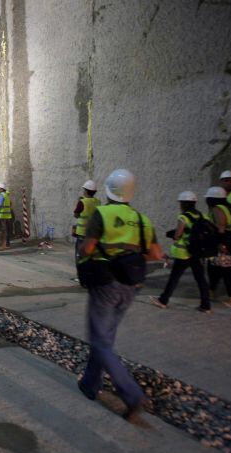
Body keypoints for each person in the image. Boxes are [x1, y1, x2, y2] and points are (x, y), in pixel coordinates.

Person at [77, 169, 162, 421]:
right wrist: (130, 257)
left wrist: (89, 256)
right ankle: (90, 384)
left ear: (109, 190)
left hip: (105, 283)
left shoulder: (101, 214)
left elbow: (88, 248)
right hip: (132, 286)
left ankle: (132, 395)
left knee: (99, 339)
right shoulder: (142, 219)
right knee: (105, 337)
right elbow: (156, 254)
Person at [149, 191, 211, 313]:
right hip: (197, 253)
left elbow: (178, 235)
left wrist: (173, 234)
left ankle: (163, 300)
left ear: (183, 204)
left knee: (174, 278)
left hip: (184, 253)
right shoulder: (203, 216)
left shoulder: (183, 217)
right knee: (201, 279)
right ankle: (206, 305)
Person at [205, 186, 231, 308]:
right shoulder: (228, 208)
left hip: (223, 244)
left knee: (227, 271)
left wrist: (221, 243)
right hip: (228, 242)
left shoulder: (217, 209)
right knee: (214, 267)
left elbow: (221, 227)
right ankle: (211, 291)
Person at [73, 181, 100, 261]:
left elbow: (76, 215)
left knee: (80, 254)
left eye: (84, 190)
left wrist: (79, 202)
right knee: (91, 253)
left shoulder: (82, 202)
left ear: (86, 191)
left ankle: (81, 267)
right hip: (93, 233)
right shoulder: (98, 202)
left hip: (82, 233)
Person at [0, 183, 13, 250]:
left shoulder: (1, 195)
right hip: (7, 215)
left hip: (2, 215)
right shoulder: (6, 195)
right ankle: (6, 244)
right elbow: (11, 203)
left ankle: (3, 245)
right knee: (5, 230)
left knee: (2, 231)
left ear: (1, 189)